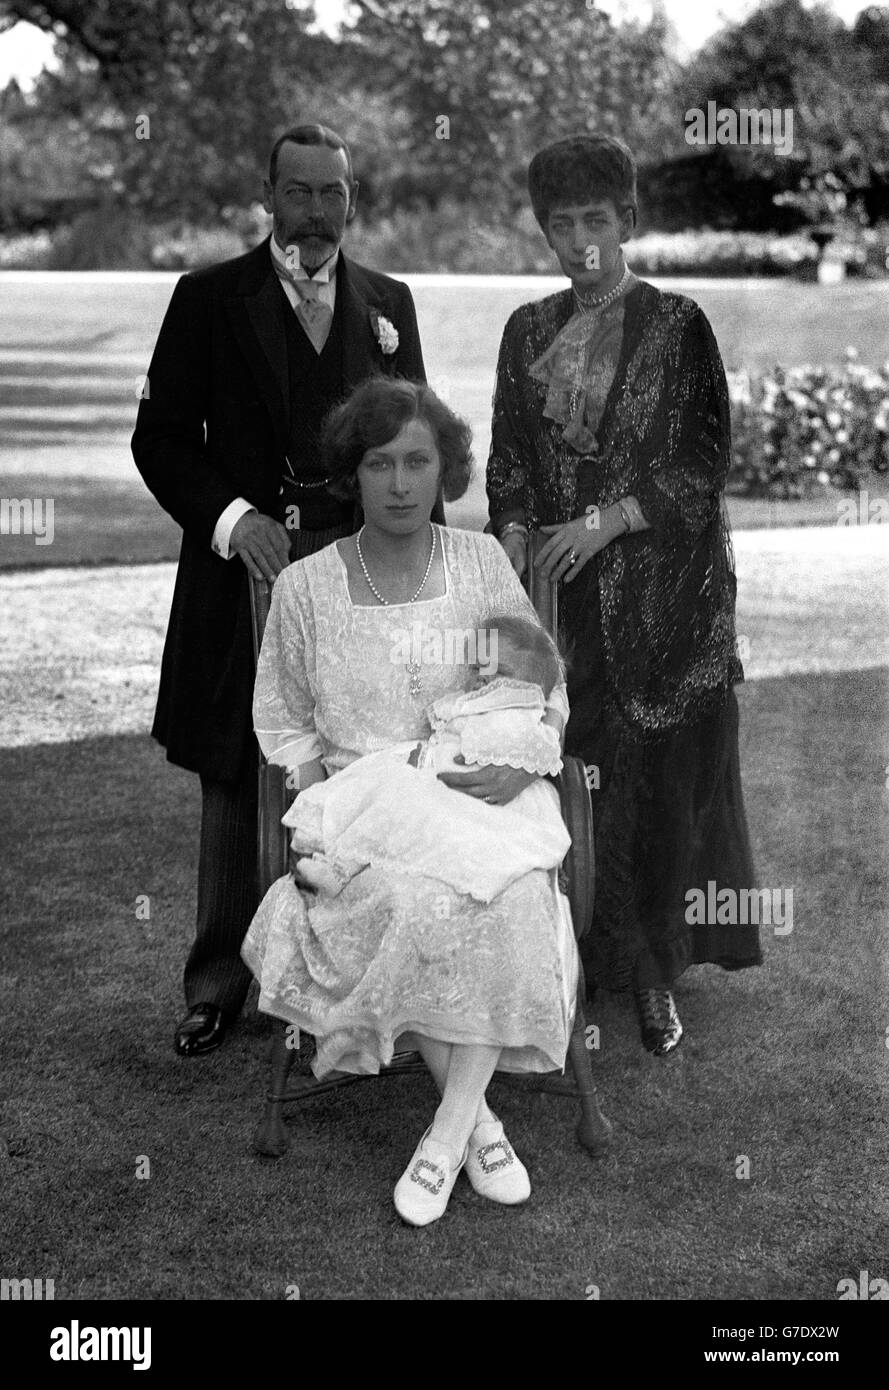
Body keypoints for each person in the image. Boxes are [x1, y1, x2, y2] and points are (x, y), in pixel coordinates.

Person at [132, 123, 439, 1057]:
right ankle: (218, 985)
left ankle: (352, 982)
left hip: (355, 574)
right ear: (269, 196)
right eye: (300, 191)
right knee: (236, 766)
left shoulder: (389, 301)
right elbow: (161, 440)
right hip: (241, 576)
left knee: (360, 757)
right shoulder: (206, 298)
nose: (317, 210)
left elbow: (413, 443)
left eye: (334, 193)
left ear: (353, 199)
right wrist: (235, 524)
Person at [241, 377, 578, 1226]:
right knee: (416, 901)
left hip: (474, 798)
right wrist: (323, 815)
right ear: (350, 474)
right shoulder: (306, 587)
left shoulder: (479, 564)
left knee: (507, 895)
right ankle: (476, 1127)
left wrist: (521, 766)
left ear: (445, 470)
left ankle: (447, 1135)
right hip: (367, 816)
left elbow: (540, 686)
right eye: (379, 463)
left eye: (417, 462)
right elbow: (283, 723)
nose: (398, 484)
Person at [486, 133, 761, 1058]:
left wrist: (603, 521)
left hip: (666, 597)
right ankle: (578, 958)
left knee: (657, 782)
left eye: (594, 221)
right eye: (559, 224)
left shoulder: (678, 325)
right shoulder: (525, 331)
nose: (578, 241)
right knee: (574, 779)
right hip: (562, 608)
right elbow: (509, 462)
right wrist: (518, 531)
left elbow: (700, 469)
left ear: (629, 222)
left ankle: (652, 977)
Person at [284, 612, 570, 901]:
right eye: (478, 667)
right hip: (441, 789)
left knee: (401, 809)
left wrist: (516, 752)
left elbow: (544, 748)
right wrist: (423, 758)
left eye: (500, 672)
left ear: (534, 689)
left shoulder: (526, 716)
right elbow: (444, 743)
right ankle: (335, 862)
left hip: (491, 808)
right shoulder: (467, 706)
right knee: (382, 796)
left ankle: (340, 867)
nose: (484, 677)